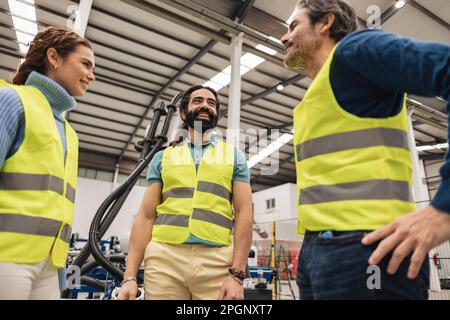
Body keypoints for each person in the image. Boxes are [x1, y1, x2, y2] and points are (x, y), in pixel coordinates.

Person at [281, 0, 450, 299]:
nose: (284, 36)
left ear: (325, 23)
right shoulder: (316, 95)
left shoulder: (355, 51)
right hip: (317, 254)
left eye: (293, 25)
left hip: (369, 249)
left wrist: (445, 208)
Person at [117, 85, 253, 300]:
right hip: (164, 259)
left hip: (216, 261)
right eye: (198, 101)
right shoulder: (162, 157)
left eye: (211, 103)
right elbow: (145, 216)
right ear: (183, 112)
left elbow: (245, 213)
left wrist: (237, 275)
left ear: (216, 114)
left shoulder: (234, 156)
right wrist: (130, 277)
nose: (205, 106)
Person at [0, 27, 95, 299]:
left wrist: (60, 270)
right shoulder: (12, 101)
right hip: (7, 258)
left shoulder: (69, 132)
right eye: (85, 64)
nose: (92, 75)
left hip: (51, 265)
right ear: (54, 57)